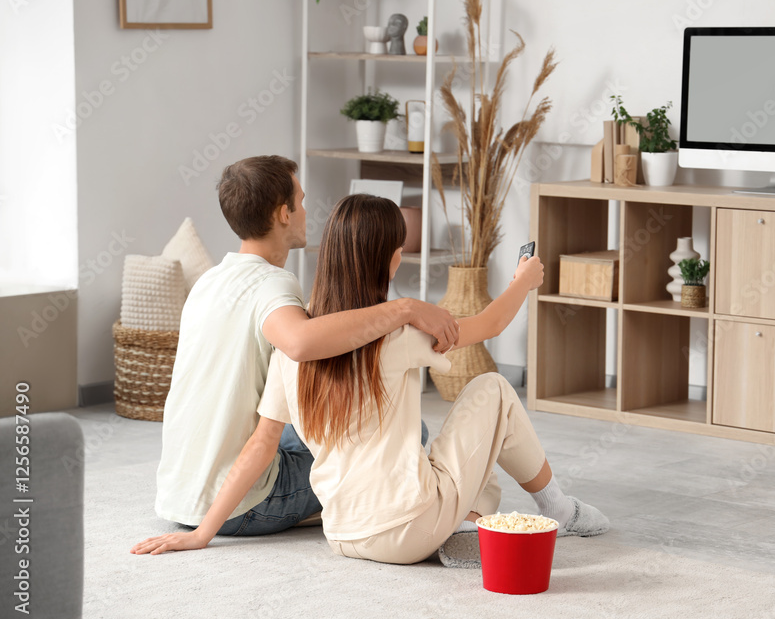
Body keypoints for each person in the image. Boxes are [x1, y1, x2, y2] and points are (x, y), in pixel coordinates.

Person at [133, 194, 608, 564]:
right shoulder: (398, 333)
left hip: (342, 535)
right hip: (407, 530)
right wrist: (523, 280)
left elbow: (260, 446)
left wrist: (201, 534)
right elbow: (490, 325)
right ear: (393, 259)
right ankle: (557, 508)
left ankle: (468, 521)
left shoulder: (294, 344)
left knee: (448, 453)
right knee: (494, 391)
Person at [152, 157, 459, 538]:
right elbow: (299, 343)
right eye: (301, 200)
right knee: (410, 433)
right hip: (242, 506)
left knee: (319, 425)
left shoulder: (211, 281)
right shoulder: (273, 286)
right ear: (284, 213)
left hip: (177, 492)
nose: (306, 210)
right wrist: (406, 308)